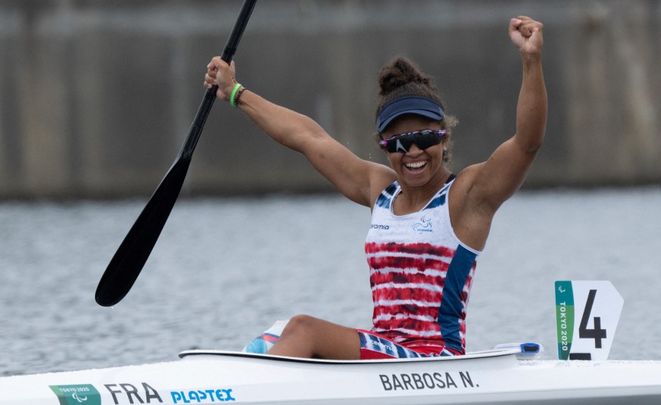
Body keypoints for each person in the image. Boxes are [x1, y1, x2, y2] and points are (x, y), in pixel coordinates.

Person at [203, 16, 546, 359]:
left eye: (424, 138)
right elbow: (308, 138)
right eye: (398, 143)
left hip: (432, 360)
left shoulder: (468, 197)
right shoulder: (380, 190)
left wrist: (531, 61)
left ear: (443, 139)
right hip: (385, 352)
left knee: (303, 329)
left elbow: (526, 144)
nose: (412, 151)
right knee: (274, 335)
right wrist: (235, 92)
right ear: (384, 146)